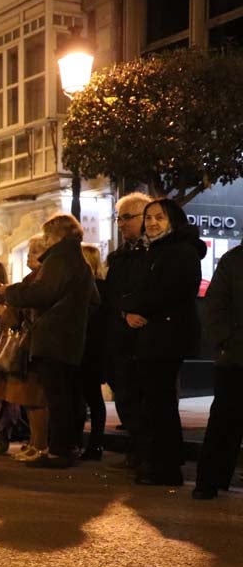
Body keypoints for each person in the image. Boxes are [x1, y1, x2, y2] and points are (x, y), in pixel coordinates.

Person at [122, 198, 205, 487]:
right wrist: (128, 310)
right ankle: (158, 461)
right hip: (151, 336)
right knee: (154, 401)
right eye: (148, 218)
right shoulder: (152, 251)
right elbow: (132, 289)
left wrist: (136, 307)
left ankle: (165, 466)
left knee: (160, 402)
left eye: (160, 217)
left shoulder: (181, 252)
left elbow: (168, 292)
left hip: (167, 337)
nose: (152, 223)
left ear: (174, 220)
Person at [4, 214, 96, 469]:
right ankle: (65, 447)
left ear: (58, 236)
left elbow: (42, 292)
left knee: (57, 397)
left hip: (53, 337)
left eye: (46, 236)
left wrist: (10, 292)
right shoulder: (79, 262)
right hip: (69, 337)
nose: (44, 241)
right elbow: (93, 302)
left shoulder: (59, 259)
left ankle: (59, 451)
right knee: (66, 395)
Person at [103, 192, 150, 467]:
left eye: (127, 218)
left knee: (145, 397)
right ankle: (136, 446)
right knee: (126, 395)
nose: (121, 223)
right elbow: (112, 294)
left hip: (145, 337)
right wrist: (123, 312)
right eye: (118, 218)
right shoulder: (120, 257)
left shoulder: (154, 253)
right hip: (120, 336)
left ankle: (145, 450)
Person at [194, 244, 243, 499]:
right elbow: (215, 305)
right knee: (224, 421)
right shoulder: (234, 260)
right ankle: (210, 480)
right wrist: (225, 342)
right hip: (236, 356)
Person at [75, 243, 108, 460]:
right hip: (94, 348)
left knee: (88, 397)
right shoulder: (101, 287)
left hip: (88, 349)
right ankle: (93, 443)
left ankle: (91, 443)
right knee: (91, 397)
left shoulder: (92, 288)